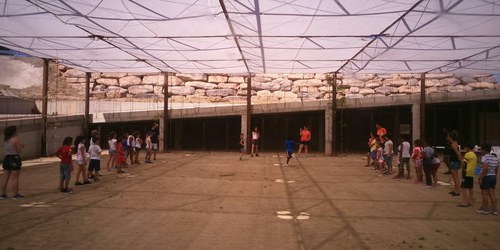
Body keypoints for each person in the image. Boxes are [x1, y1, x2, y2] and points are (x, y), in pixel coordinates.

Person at [1, 125, 25, 200]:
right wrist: (21, 147)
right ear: (14, 132)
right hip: (14, 158)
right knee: (15, 178)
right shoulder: (16, 139)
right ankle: (15, 194)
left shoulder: (5, 140)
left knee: (5, 177)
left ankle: (2, 194)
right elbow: (18, 150)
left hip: (7, 158)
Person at [476, 143, 498, 215]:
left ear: (484, 150)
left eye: (481, 149)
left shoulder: (484, 157)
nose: (481, 151)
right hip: (493, 176)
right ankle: (495, 210)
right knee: (492, 193)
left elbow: (485, 169)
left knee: (484, 193)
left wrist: (481, 178)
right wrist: (495, 175)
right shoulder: (495, 158)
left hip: (486, 177)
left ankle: (485, 209)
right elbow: (496, 168)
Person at [447, 132, 462, 196]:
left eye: (448, 136)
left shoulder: (453, 144)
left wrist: (460, 160)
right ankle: (456, 189)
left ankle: (458, 191)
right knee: (454, 177)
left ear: (450, 137)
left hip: (455, 161)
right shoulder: (455, 143)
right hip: (454, 161)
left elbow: (457, 153)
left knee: (456, 177)